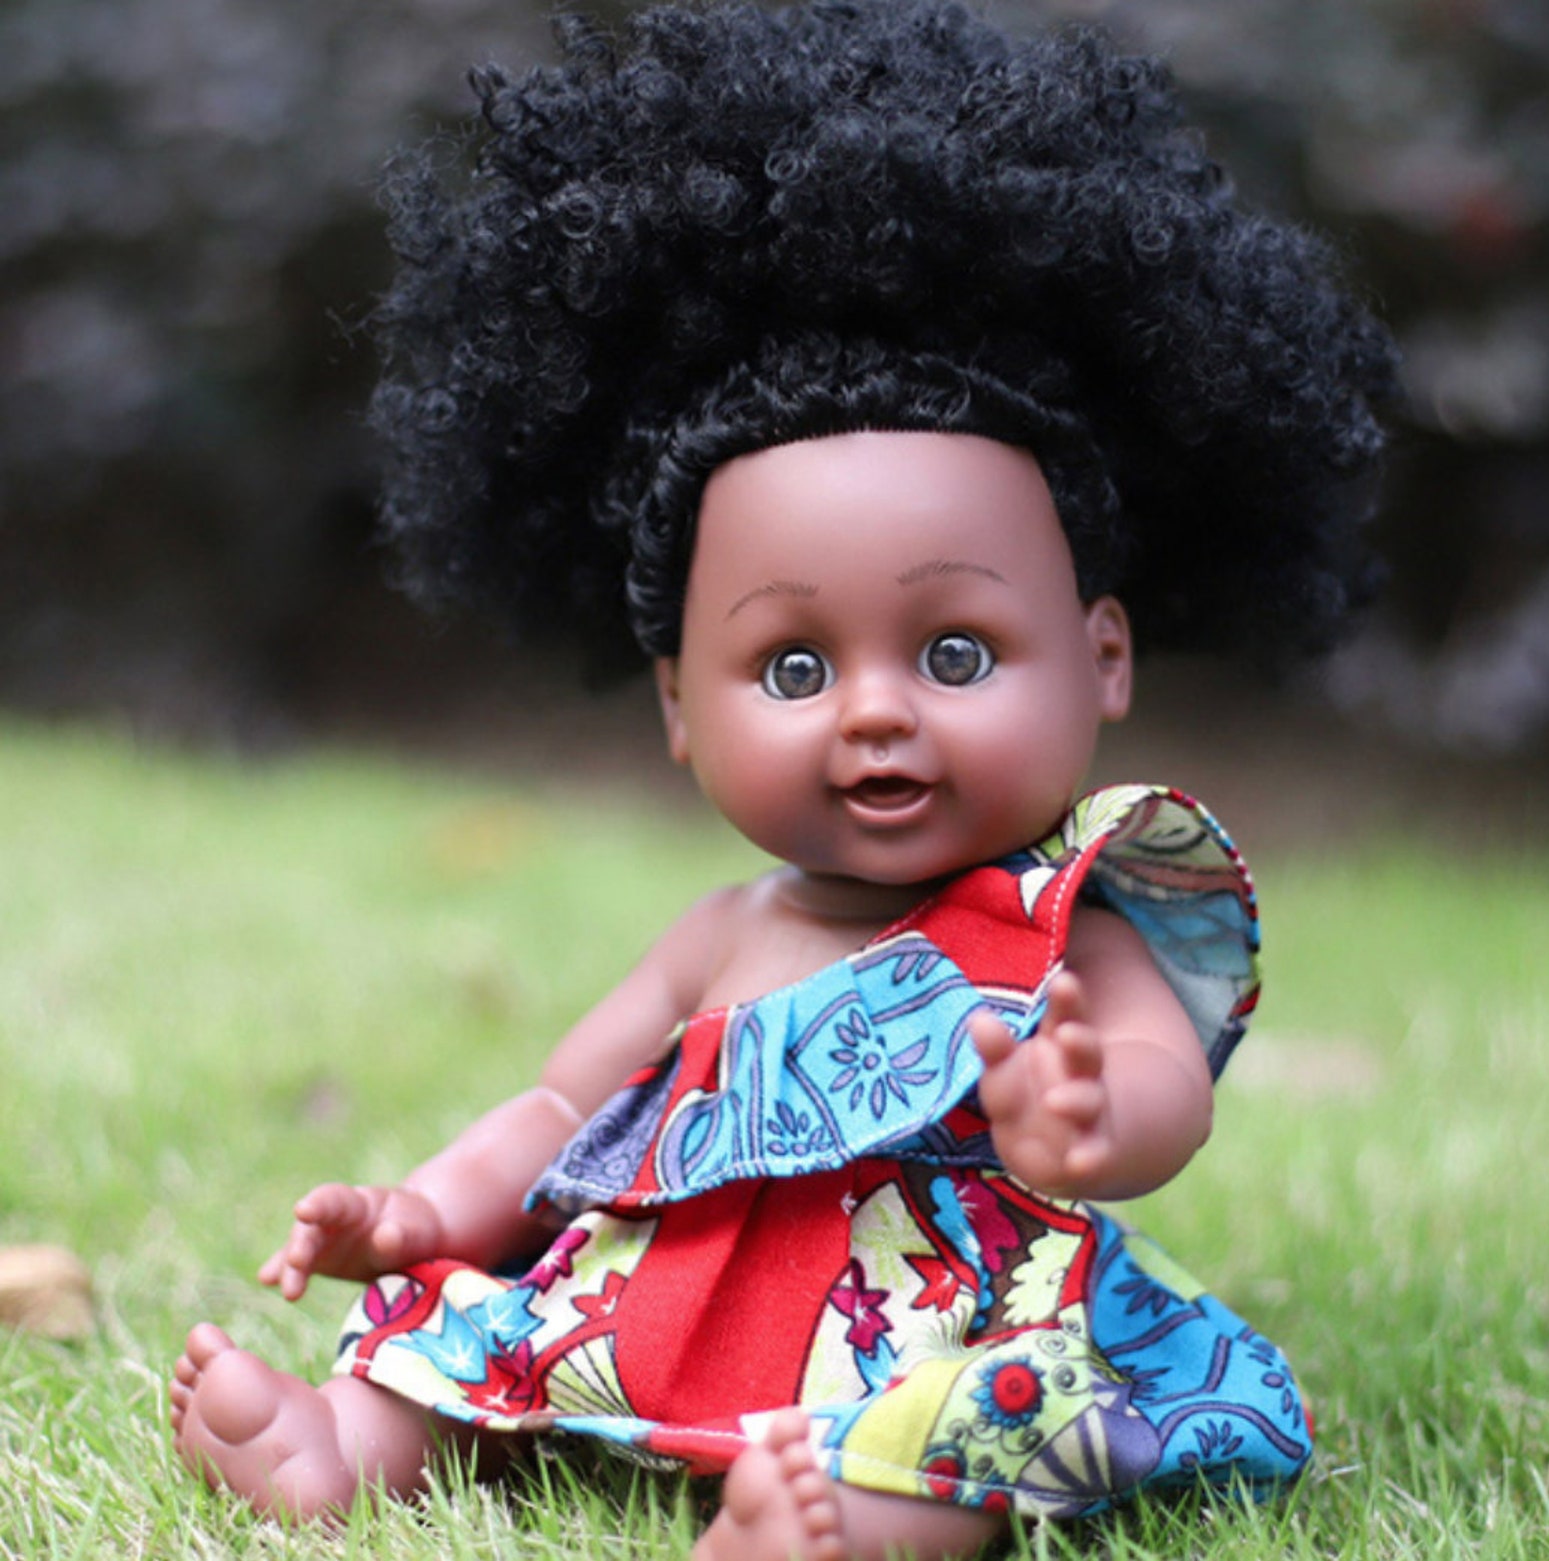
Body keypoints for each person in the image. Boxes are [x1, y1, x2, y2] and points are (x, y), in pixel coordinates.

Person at [170, 5, 1395, 1558]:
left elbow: (1162, 1081)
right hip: (669, 1290)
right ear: (679, 706)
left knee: (997, 1418)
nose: (875, 714)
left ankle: (842, 1522)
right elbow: (561, 1106)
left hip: (935, 1309)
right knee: (476, 1322)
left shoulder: (1059, 922)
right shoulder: (720, 934)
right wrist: (423, 1210)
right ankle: (347, 1439)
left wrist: (1092, 1116)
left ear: (1103, 656)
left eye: (955, 652)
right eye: (797, 668)